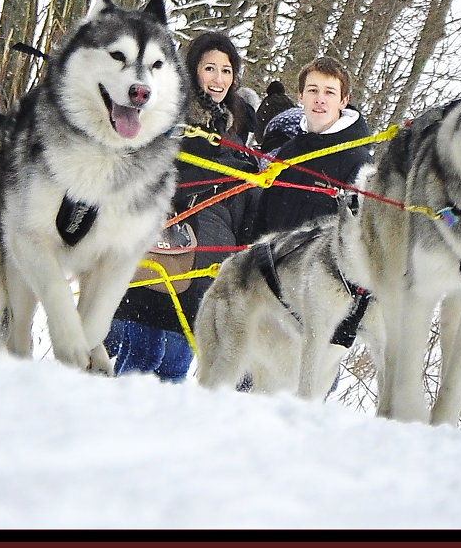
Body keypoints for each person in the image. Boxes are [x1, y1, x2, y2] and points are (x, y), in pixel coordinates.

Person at [106, 31, 259, 382]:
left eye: (226, 70)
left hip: (207, 254)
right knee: (142, 352)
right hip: (159, 241)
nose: (218, 79)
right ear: (193, 70)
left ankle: (161, 432)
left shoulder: (235, 125)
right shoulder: (167, 112)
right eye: (210, 68)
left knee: (176, 360)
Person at [250, 56, 373, 240]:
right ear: (301, 96)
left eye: (329, 92)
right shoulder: (288, 152)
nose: (320, 99)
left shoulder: (358, 163)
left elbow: (356, 240)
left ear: (343, 101)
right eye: (313, 90)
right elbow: (262, 222)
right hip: (270, 263)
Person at [254, 79, 294, 151]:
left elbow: (258, 120)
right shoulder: (288, 102)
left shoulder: (267, 102)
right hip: (288, 142)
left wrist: (260, 139)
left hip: (269, 141)